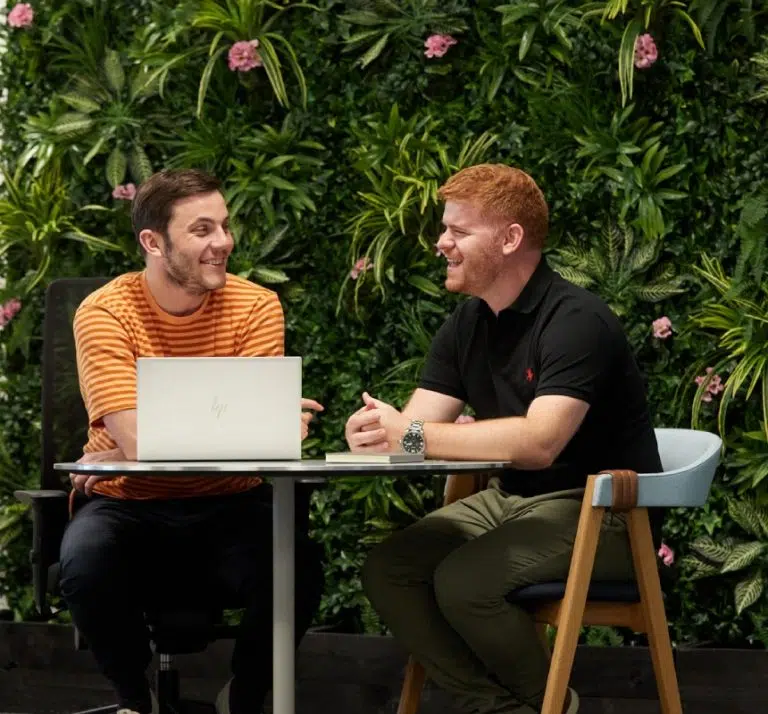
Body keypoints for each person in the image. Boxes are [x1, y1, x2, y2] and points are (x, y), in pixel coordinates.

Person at [344, 164, 663, 714]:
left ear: (510, 238)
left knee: (465, 582)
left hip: (603, 513)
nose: (441, 243)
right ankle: (502, 708)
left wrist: (411, 434)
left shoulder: (576, 320)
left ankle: (549, 705)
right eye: (445, 229)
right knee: (390, 570)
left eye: (458, 231)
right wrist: (374, 434)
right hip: (510, 502)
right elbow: (416, 430)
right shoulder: (467, 324)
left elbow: (539, 443)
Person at [59, 168, 325, 714]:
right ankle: (137, 701)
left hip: (229, 501)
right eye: (202, 230)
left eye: (224, 226)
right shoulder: (105, 312)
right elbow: (143, 441)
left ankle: (243, 699)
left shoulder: (256, 306)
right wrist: (245, 424)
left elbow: (248, 441)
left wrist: (121, 449)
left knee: (299, 567)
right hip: (128, 503)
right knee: (85, 564)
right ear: (153, 242)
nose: (223, 242)